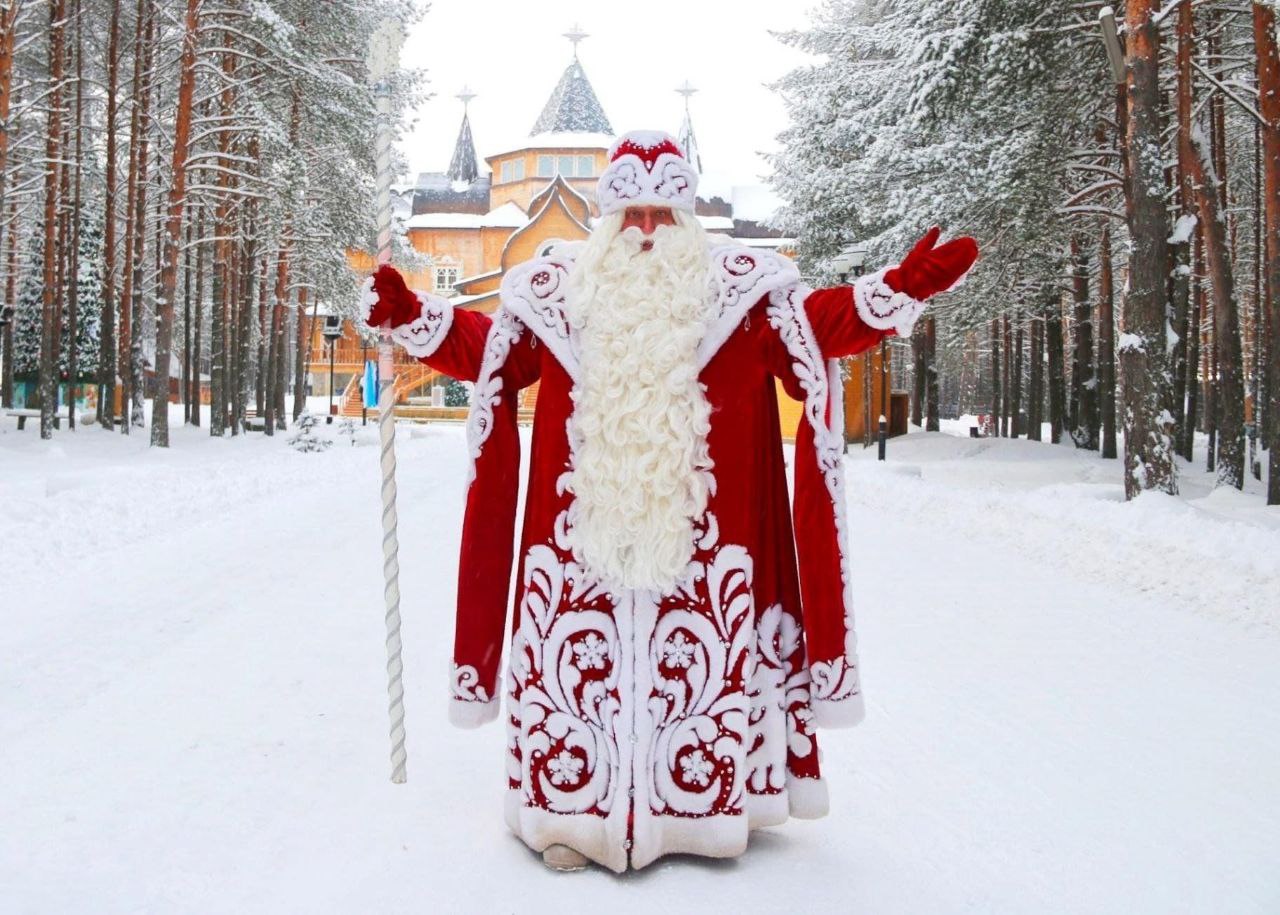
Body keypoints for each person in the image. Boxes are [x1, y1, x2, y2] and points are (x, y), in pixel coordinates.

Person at [362, 130, 977, 873]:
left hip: (706, 549)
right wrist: (413, 316)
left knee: (698, 675)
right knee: (574, 680)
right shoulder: (558, 296)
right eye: (630, 215)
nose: (647, 230)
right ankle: (568, 816)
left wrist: (897, 291)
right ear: (606, 221)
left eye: (662, 213)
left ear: (687, 219)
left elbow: (819, 327)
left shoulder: (742, 296)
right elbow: (488, 348)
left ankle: (703, 819)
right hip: (576, 545)